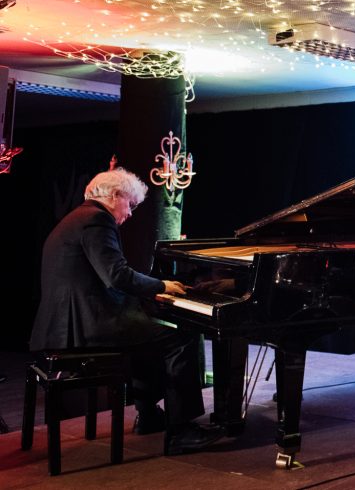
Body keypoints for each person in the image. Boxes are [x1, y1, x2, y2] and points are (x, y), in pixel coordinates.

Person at [29, 168, 224, 455]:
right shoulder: (96, 220)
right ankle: (181, 431)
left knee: (145, 337)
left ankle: (148, 416)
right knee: (181, 336)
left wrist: (148, 294)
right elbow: (116, 276)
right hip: (84, 326)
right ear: (115, 195)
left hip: (66, 324)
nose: (130, 213)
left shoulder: (76, 218)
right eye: (130, 205)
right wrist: (161, 285)